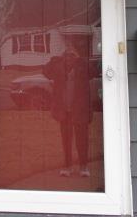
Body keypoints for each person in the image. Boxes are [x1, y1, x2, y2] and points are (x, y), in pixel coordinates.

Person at [43, 32, 92, 177]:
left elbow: (94, 71)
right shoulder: (58, 67)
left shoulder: (82, 67)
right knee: (66, 140)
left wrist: (80, 58)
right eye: (67, 54)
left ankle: (83, 167)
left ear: (76, 56)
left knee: (82, 140)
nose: (69, 56)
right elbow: (46, 72)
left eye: (72, 54)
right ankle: (67, 167)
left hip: (80, 110)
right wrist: (56, 58)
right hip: (64, 111)